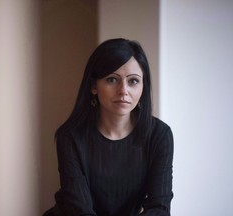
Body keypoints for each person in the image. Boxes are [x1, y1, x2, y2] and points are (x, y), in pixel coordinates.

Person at [43, 38, 174, 216]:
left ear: (143, 87)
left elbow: (159, 209)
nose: (124, 90)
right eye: (112, 79)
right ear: (93, 86)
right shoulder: (70, 137)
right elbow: (80, 211)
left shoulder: (160, 135)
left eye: (133, 81)